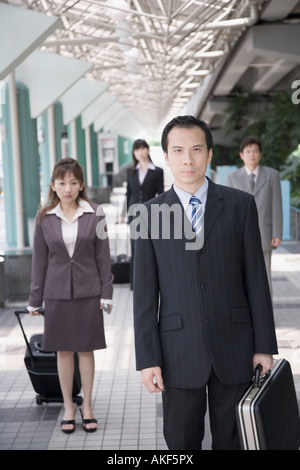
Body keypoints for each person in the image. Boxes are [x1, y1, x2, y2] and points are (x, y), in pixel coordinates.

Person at [133, 115, 278, 450]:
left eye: (197, 149)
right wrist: (147, 358)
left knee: (233, 440)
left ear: (209, 154)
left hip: (235, 347)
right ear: (165, 157)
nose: (188, 159)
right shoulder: (149, 213)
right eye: (179, 150)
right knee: (181, 441)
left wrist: (264, 346)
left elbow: (255, 280)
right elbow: (143, 294)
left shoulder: (240, 205)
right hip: (177, 352)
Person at [28, 158, 113, 434]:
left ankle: (87, 405)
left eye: (73, 182)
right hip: (56, 294)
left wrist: (107, 293)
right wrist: (34, 299)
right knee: (63, 351)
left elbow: (103, 258)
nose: (68, 188)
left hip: (88, 292)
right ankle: (69, 406)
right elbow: (39, 262)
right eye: (62, 182)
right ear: (53, 185)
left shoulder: (96, 213)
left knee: (86, 350)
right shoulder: (44, 217)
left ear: (82, 185)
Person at [226, 136, 283, 293]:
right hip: (238, 234)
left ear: (260, 154)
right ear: (241, 155)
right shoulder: (232, 177)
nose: (252, 154)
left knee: (265, 276)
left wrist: (277, 233)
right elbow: (229, 208)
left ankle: (267, 315)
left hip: (264, 233)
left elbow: (276, 205)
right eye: (248, 151)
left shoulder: (272, 175)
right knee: (241, 276)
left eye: (255, 151)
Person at [120, 139, 164, 288]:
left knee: (151, 246)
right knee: (135, 247)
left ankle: (151, 280)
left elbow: (161, 194)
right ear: (134, 153)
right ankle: (135, 282)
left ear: (147, 150)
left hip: (151, 213)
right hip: (133, 213)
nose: (140, 152)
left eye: (142, 149)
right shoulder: (131, 171)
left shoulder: (157, 171)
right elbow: (128, 193)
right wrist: (122, 215)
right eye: (137, 150)